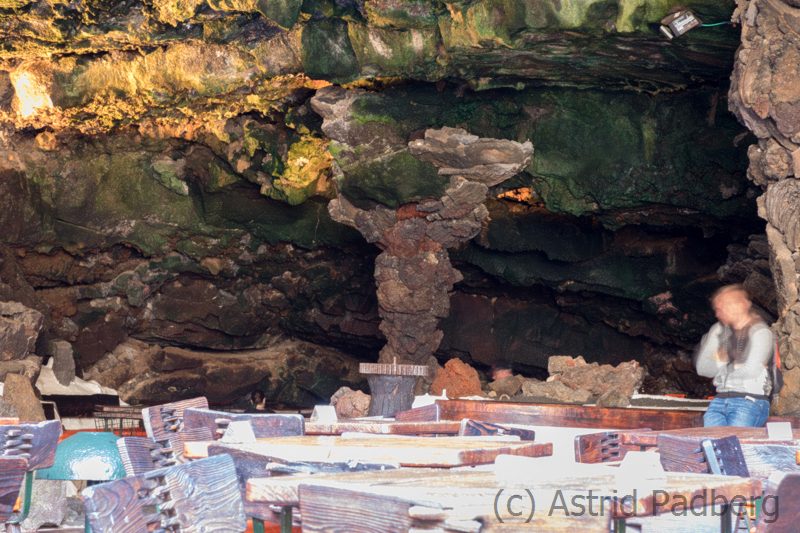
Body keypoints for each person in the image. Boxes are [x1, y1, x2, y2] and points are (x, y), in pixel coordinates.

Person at [694, 284, 773, 427]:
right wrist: (731, 364)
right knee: (711, 445)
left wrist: (721, 362)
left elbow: (751, 370)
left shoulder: (761, 332)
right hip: (719, 400)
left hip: (749, 400)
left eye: (723, 307)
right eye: (717, 309)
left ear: (742, 304)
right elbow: (703, 369)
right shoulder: (718, 330)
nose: (718, 313)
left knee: (736, 446)